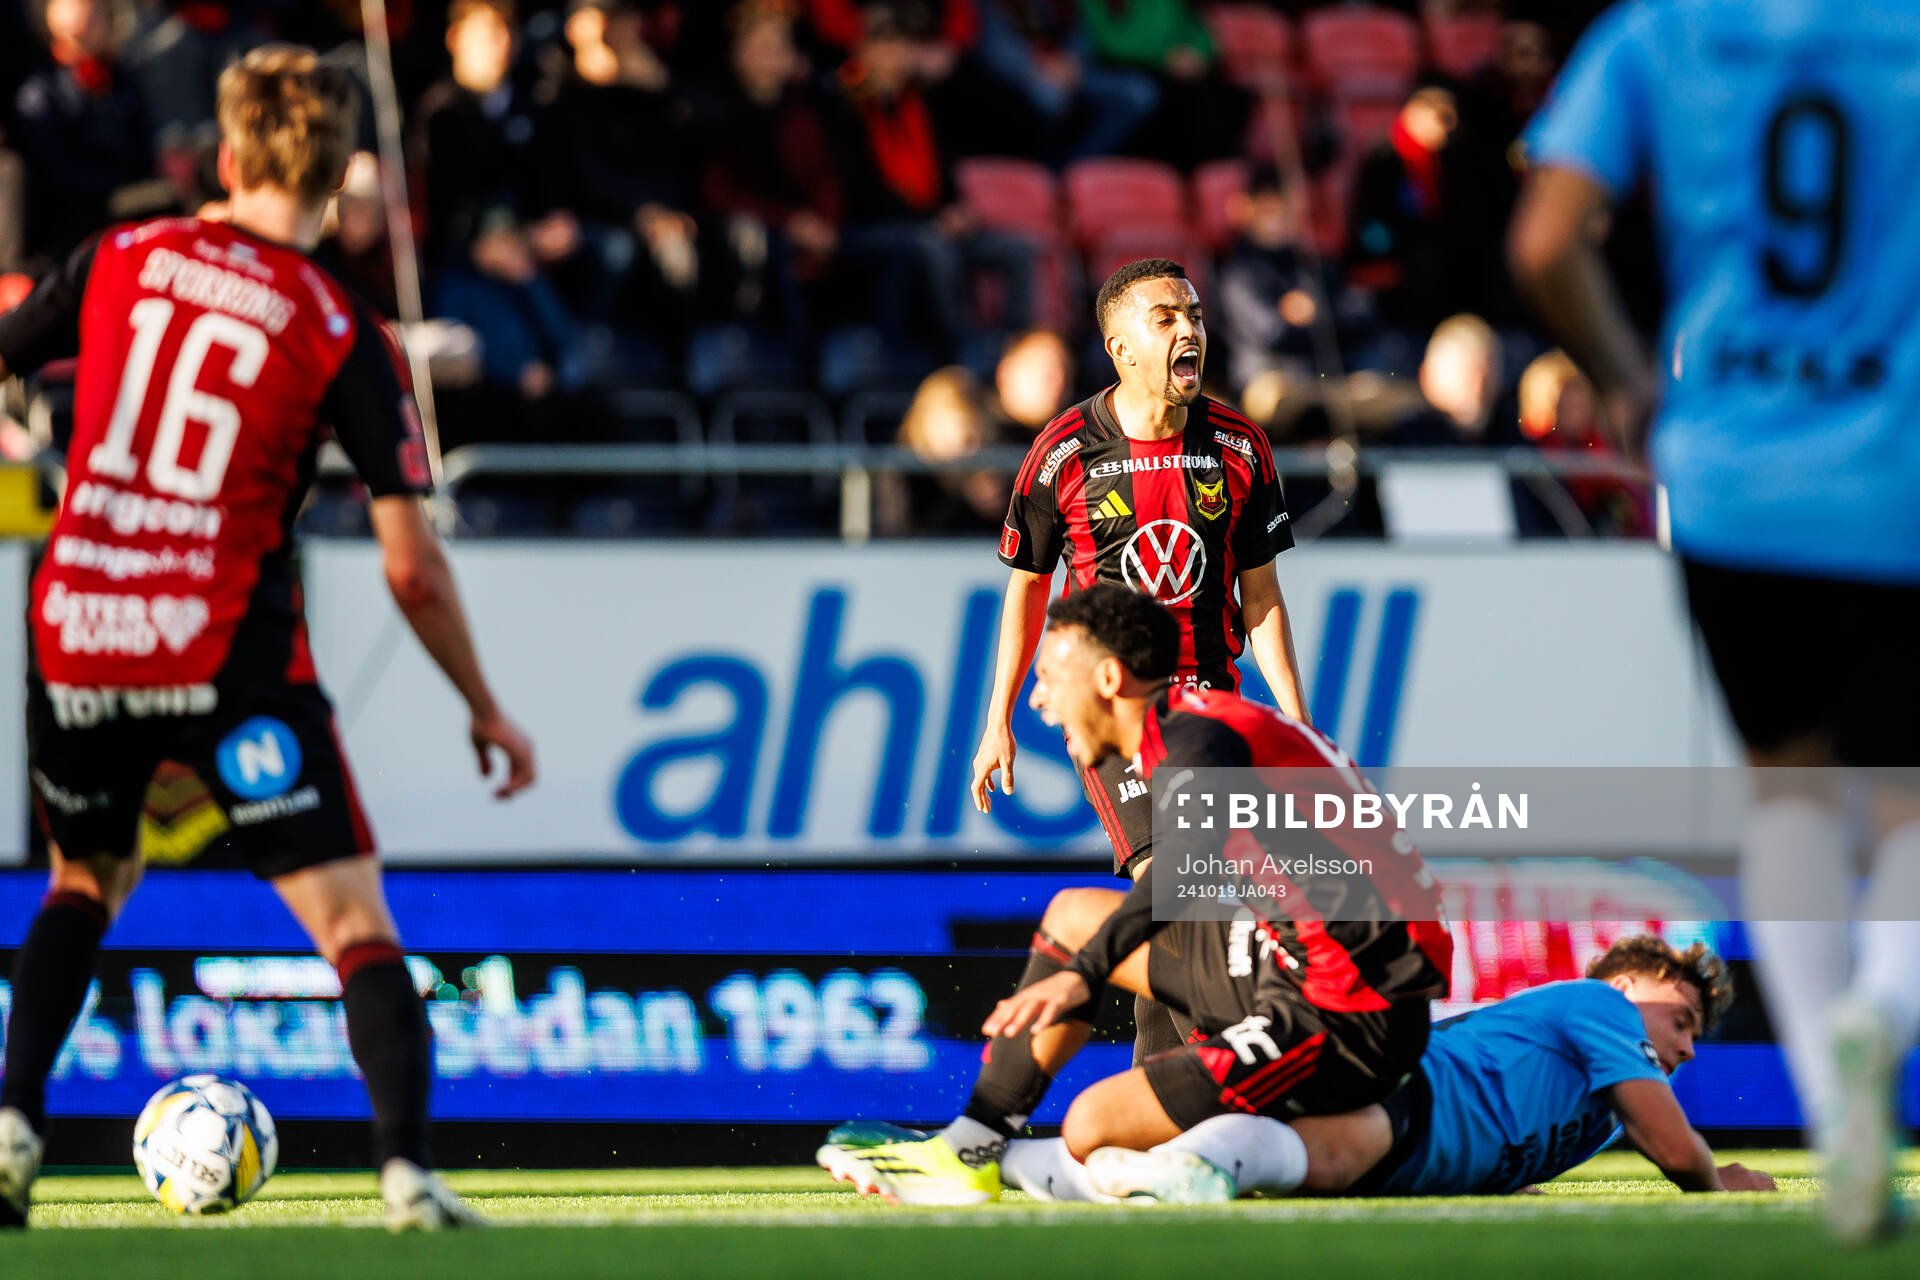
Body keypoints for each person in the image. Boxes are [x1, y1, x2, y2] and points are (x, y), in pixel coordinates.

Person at [0, 46, 536, 1231]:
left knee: (84, 878)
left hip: (81, 623)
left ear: (226, 157)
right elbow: (411, 566)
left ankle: (12, 1124)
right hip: (222, 643)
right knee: (351, 922)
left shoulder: (118, 257)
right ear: (343, 177)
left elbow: (8, 346)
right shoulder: (339, 322)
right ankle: (405, 1172)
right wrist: (483, 704)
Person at [1508, 0, 1920, 1242]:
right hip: (1899, 467)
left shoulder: (1660, 34)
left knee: (1787, 792)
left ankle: (1840, 1124)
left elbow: (1543, 243)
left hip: (1734, 473)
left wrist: (1631, 379)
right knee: (1907, 802)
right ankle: (1884, 1020)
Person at [819, 585, 1451, 1205]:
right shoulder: (1190, 726)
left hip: (1349, 1011)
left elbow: (1180, 873)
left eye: (1049, 679)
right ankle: (969, 1149)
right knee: (1073, 913)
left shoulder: (1197, 742)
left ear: (1110, 680)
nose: (1038, 702)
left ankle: (1387, 1138)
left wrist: (1084, 975)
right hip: (1290, 965)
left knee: (1093, 1124)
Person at [973, 257, 1310, 1067]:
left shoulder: (1239, 447)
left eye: (1193, 313)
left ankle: (1161, 1096)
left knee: (1195, 909)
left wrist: (1296, 725)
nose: (1189, 328)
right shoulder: (1062, 455)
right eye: (1165, 318)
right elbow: (1023, 595)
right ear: (1120, 346)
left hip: (1210, 715)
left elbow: (1259, 598)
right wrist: (999, 723)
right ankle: (1135, 1100)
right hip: (1117, 718)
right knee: (1178, 882)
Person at [1070, 935, 1776, 1202]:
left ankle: (1122, 1169)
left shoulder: (1595, 1112)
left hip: (1414, 1150)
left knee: (1327, 1161)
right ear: (1626, 990)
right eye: (1680, 1019)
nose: (1687, 1048)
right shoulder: (1602, 1006)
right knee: (1337, 1151)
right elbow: (1680, 1154)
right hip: (1415, 1091)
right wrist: (1717, 1180)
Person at [877, 365, 1009, 537]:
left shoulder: (997, 470)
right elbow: (900, 535)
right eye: (945, 425)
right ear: (923, 423)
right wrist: (964, 495)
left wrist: (997, 509)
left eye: (971, 435)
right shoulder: (901, 472)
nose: (959, 441)